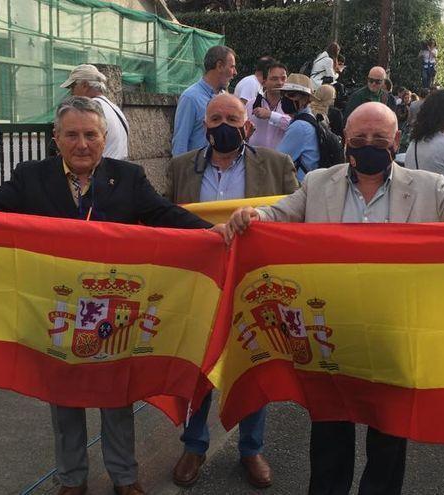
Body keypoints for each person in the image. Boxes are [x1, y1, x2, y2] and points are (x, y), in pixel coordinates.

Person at [224, 101, 444, 495]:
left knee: (388, 440)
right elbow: (279, 214)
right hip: (331, 331)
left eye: (379, 139)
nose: (368, 145)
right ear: (345, 140)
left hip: (394, 334)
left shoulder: (427, 187)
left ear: (396, 141)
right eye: (360, 138)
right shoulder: (317, 183)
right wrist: (254, 218)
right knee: (329, 436)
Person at [0, 97, 217, 495]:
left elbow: (165, 216)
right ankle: (72, 479)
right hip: (58, 312)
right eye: (72, 134)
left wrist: (214, 233)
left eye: (90, 134)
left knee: (116, 394)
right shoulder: (31, 177)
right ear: (56, 138)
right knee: (64, 397)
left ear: (105, 138)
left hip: (111, 309)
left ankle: (125, 477)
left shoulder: (129, 177)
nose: (81, 143)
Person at [165, 94, 298, 489]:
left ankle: (251, 448)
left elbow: (294, 222)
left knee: (254, 361)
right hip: (201, 283)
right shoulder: (180, 168)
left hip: (254, 283)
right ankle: (194, 445)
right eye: (215, 118)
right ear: (204, 125)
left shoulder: (277, 166)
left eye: (232, 118)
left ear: (247, 125)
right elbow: (166, 222)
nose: (223, 125)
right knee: (197, 364)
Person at [172, 45, 237, 156]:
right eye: (232, 67)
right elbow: (180, 144)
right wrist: (182, 172)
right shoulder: (190, 98)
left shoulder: (225, 98)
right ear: (220, 66)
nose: (235, 72)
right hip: (197, 171)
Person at [61, 64, 129, 160]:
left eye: (73, 87)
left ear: (84, 85)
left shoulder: (91, 110)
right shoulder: (114, 108)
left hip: (103, 171)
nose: (72, 93)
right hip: (119, 168)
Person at [276, 74, 320, 181]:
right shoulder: (308, 119)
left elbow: (276, 161)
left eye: (291, 94)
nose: (285, 98)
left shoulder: (300, 126)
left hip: (299, 189)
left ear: (305, 99)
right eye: (283, 94)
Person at [247, 61, 291, 149]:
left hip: (280, 159)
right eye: (274, 79)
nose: (280, 83)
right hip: (254, 156)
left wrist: (271, 115)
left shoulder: (292, 105)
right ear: (264, 82)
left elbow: (294, 126)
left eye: (283, 78)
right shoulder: (251, 104)